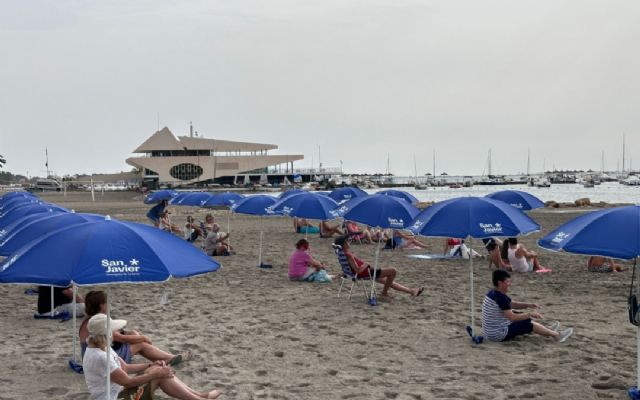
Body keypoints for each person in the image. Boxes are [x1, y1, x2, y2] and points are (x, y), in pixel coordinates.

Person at [83, 313, 220, 400]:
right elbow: (127, 382)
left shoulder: (103, 347)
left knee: (159, 369)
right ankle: (200, 398)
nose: (117, 332)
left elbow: (126, 367)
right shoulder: (100, 356)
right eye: (114, 330)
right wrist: (155, 373)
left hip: (118, 391)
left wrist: (151, 365)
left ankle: (200, 396)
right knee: (160, 374)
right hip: (114, 397)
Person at [79, 291, 190, 365]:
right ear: (102, 305)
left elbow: (118, 333)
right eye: (107, 302)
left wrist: (133, 334)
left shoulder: (92, 318)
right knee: (141, 344)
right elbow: (120, 338)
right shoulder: (96, 321)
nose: (109, 304)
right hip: (100, 359)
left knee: (132, 333)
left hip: (98, 353)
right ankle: (168, 359)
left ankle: (166, 358)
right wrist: (143, 338)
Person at [482, 270, 573, 343]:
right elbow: (512, 318)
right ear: (500, 283)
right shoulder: (500, 297)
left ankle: (547, 331)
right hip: (498, 334)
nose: (510, 284)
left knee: (523, 317)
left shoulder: (493, 292)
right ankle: (557, 335)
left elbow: (512, 304)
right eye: (508, 281)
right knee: (527, 324)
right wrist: (529, 314)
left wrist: (529, 305)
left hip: (491, 331)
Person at [334, 236, 423, 298]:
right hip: (366, 273)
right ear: (344, 244)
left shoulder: (341, 253)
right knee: (393, 271)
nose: (348, 242)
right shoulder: (348, 254)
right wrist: (366, 264)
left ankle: (412, 291)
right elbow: (358, 270)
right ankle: (384, 293)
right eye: (347, 241)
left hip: (367, 272)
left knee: (388, 281)